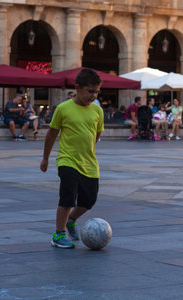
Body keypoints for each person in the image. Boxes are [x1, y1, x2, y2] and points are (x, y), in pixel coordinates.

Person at [40, 68, 104, 249]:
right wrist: (45, 158)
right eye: (90, 91)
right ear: (77, 87)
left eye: (96, 92)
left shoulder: (98, 111)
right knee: (68, 196)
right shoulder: (63, 108)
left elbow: (96, 134)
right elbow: (52, 134)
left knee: (89, 201)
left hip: (89, 163)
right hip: (67, 160)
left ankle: (72, 219)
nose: (93, 95)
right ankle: (58, 234)